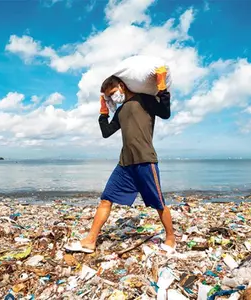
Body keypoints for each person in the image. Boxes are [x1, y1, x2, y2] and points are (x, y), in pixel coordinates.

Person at [66, 66, 176, 254]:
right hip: (124, 163)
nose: (113, 97)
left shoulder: (145, 100)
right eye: (109, 95)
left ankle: (171, 238)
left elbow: (165, 113)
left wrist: (162, 87)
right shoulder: (121, 110)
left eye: (113, 92)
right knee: (106, 199)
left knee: (158, 202)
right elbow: (106, 132)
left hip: (145, 159)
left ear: (122, 85)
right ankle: (90, 241)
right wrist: (103, 112)